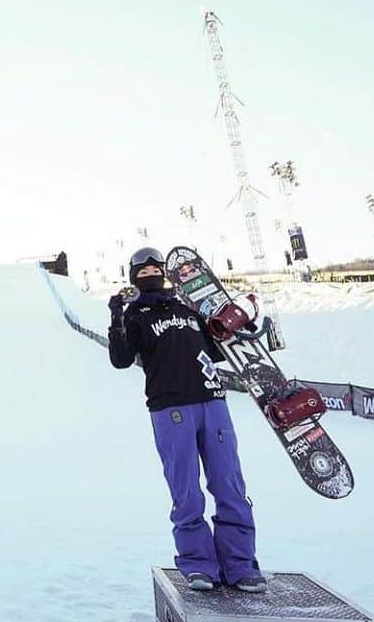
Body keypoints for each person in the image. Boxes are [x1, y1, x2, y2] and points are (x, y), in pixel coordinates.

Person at [108, 246, 266, 593]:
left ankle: (240, 565)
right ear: (133, 275)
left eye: (154, 267)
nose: (149, 272)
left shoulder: (189, 308)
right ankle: (198, 564)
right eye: (141, 269)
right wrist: (117, 319)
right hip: (170, 408)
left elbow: (218, 350)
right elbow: (120, 359)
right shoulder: (136, 313)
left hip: (212, 401)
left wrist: (241, 324)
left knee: (230, 486)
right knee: (187, 492)